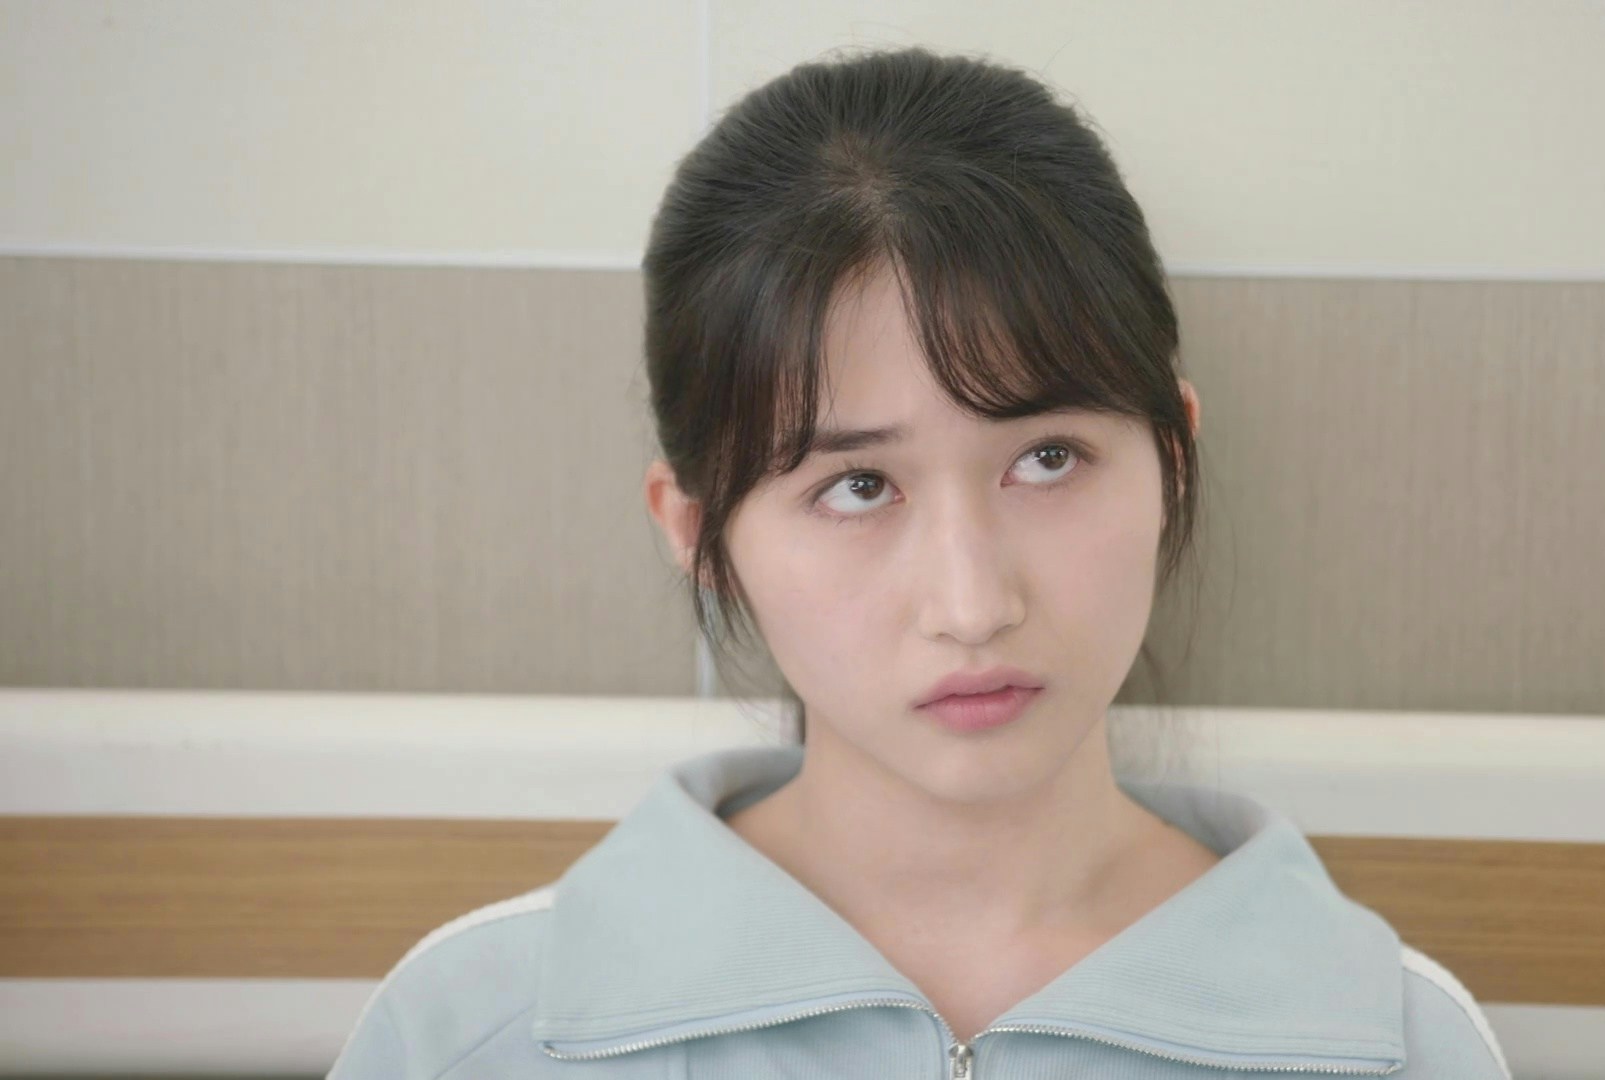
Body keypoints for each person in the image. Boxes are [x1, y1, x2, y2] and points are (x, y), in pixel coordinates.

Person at [328, 45, 1511, 1079]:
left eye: (1047, 459)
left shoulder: (1400, 1048)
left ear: (1172, 461)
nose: (972, 604)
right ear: (696, 534)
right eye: (857, 487)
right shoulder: (466, 1037)